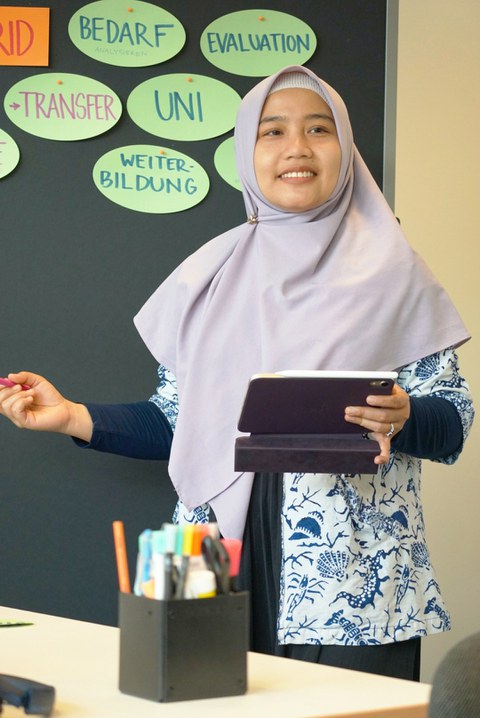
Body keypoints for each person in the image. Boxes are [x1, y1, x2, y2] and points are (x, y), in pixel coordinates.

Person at [0, 66, 474, 681]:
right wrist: (72, 417)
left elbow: (453, 419)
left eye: (319, 129)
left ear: (347, 148)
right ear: (246, 154)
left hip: (353, 576)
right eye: (271, 131)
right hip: (210, 558)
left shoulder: (396, 271)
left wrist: (406, 414)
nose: (296, 148)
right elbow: (179, 421)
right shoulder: (213, 275)